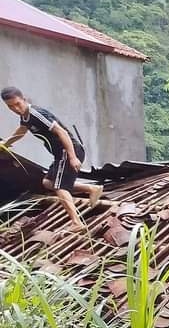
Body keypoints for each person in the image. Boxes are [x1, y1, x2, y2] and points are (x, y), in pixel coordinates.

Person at [1, 86, 102, 229]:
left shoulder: (36, 114)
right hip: (60, 154)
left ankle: (76, 222)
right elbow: (21, 131)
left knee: (59, 186)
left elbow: (62, 133)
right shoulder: (25, 117)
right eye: (11, 107)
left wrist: (72, 157)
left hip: (67, 151)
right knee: (48, 182)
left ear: (24, 99)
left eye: (18, 104)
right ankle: (91, 189)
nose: (16, 108)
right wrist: (5, 143)